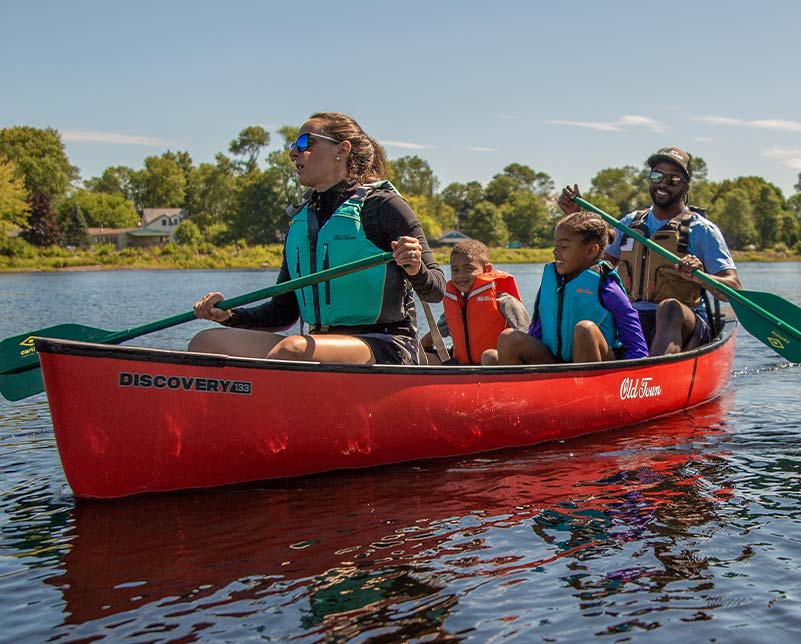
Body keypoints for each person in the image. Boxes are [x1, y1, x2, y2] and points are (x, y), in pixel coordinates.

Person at [190, 112, 445, 365]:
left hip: (386, 345)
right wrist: (228, 315)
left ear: (342, 150)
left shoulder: (384, 206)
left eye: (305, 143)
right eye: (293, 146)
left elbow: (436, 288)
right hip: (321, 344)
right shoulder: (301, 220)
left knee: (292, 349)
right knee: (205, 343)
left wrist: (415, 268)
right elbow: (283, 311)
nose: (294, 153)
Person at [558, 146, 742, 355]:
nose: (663, 183)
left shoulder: (701, 230)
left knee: (669, 308)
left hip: (682, 324)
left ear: (686, 187)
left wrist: (700, 277)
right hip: (632, 321)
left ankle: (654, 374)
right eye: (657, 176)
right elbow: (593, 266)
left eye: (672, 180)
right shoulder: (629, 224)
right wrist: (576, 219)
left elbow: (734, 289)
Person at [497, 211, 648, 365]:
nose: (555, 252)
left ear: (591, 250)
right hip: (557, 362)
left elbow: (637, 347)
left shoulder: (607, 287)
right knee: (509, 338)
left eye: (563, 246)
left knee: (585, 329)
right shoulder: (552, 281)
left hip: (600, 367)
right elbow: (537, 331)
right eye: (555, 245)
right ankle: (527, 387)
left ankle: (585, 386)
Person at [419, 239, 530, 365]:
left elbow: (526, 336)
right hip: (463, 367)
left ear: (487, 269)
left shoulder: (505, 301)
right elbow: (436, 334)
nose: (461, 275)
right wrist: (417, 349)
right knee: (422, 357)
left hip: (495, 363)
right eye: (455, 270)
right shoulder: (457, 305)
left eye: (468, 269)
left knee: (489, 356)